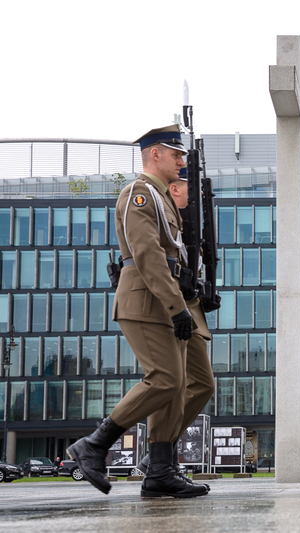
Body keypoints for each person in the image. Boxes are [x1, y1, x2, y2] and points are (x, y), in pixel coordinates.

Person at [67, 125, 206, 498]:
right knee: (166, 379)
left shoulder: (162, 199)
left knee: (175, 388)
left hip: (164, 300)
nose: (181, 161)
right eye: (175, 154)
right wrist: (178, 308)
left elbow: (173, 257)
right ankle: (94, 445)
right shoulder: (140, 194)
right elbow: (147, 255)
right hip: (146, 300)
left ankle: (160, 470)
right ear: (154, 154)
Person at [136, 170, 215, 493]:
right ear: (174, 187)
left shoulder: (185, 223)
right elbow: (150, 258)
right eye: (187, 188)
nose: (191, 195)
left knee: (202, 383)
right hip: (166, 305)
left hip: (188, 306)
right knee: (169, 381)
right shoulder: (156, 207)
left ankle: (159, 455)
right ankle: (157, 459)